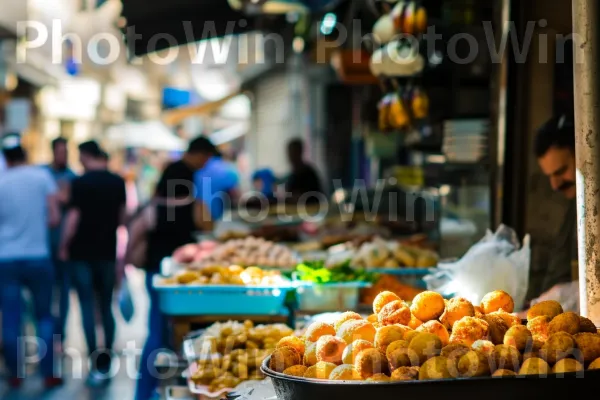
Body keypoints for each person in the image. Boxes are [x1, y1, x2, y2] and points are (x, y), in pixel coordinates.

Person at [132, 137, 213, 400]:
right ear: (200, 154)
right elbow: (190, 221)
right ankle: (145, 393)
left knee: (159, 332)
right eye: (207, 158)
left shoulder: (174, 171)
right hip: (167, 268)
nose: (206, 163)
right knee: (157, 332)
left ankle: (150, 391)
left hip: (162, 264)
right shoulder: (182, 173)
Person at [59, 140, 127, 386]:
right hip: (107, 252)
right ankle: (106, 358)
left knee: (87, 306)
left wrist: (64, 246)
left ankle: (93, 359)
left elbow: (74, 217)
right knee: (106, 306)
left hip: (81, 253)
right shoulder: (118, 182)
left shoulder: (79, 183)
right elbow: (122, 219)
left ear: (87, 156)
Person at [0, 134, 62, 388]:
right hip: (38, 255)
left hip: (6, 258)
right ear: (25, 156)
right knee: (44, 316)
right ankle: (48, 373)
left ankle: (15, 374)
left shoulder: (1, 181)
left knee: (11, 318)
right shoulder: (42, 177)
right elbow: (55, 217)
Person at [534, 115, 578, 295]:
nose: (555, 185)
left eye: (561, 171)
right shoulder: (575, 208)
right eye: (550, 176)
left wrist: (560, 296)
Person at [45, 137, 77, 347]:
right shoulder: (43, 174)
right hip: (45, 244)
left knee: (63, 294)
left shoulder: (73, 177)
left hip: (65, 246)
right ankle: (48, 336)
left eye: (65, 151)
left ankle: (60, 335)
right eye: (59, 151)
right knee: (46, 295)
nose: (62, 155)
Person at [193, 136, 239, 222]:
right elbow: (235, 193)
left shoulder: (197, 168)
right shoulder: (226, 169)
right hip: (217, 215)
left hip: (197, 217)